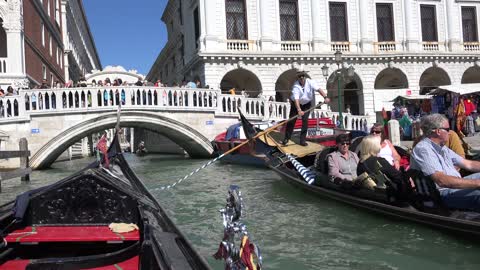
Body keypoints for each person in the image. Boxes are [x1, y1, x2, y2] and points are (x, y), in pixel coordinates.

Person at [410, 113, 480, 211]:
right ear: (438, 131)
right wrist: (477, 184)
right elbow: (442, 181)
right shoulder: (424, 150)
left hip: (453, 187)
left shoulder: (442, 148)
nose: (450, 132)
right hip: (441, 194)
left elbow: (469, 164)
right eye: (447, 129)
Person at [282, 70, 330, 146]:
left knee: (305, 121)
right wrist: (299, 110)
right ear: (297, 78)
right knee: (291, 120)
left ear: (305, 76)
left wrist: (325, 97)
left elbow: (319, 89)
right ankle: (286, 138)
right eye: (299, 76)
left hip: (306, 104)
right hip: (296, 104)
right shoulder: (296, 86)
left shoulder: (310, 82)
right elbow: (296, 99)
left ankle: (302, 141)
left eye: (302, 76)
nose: (301, 77)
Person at [358, 135, 410, 199]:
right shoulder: (380, 161)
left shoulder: (360, 163)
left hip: (371, 194)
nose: (380, 146)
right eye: (378, 144)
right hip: (389, 196)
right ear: (374, 147)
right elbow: (398, 177)